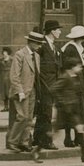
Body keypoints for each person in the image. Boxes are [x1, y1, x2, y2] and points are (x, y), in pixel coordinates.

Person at [53, 57, 84, 163]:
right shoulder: (65, 77)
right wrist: (62, 101)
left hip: (73, 110)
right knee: (55, 133)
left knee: (80, 128)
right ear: (71, 68)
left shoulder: (76, 77)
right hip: (64, 110)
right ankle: (37, 150)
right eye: (78, 66)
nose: (80, 68)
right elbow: (54, 89)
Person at [7, 32, 45, 153]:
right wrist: (19, 91)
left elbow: (36, 75)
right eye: (38, 43)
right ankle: (12, 142)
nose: (39, 46)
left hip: (32, 90)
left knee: (29, 118)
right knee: (22, 117)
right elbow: (14, 76)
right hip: (22, 92)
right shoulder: (20, 55)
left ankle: (24, 142)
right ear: (32, 43)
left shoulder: (36, 56)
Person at [59, 25, 84, 148]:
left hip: (79, 83)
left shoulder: (77, 47)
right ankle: (68, 138)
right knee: (72, 112)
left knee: (79, 111)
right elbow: (68, 67)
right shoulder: (70, 49)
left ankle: (79, 138)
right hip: (73, 83)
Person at [33, 20, 64, 150]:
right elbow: (35, 65)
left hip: (52, 84)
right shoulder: (42, 45)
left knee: (43, 112)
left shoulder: (53, 46)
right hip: (45, 84)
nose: (60, 32)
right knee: (46, 113)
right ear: (52, 31)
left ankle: (37, 138)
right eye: (58, 30)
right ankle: (46, 141)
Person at [0, 47, 12, 112]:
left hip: (9, 76)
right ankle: (5, 106)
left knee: (9, 91)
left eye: (5, 52)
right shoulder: (1, 60)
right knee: (4, 92)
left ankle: (10, 106)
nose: (4, 53)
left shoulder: (12, 59)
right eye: (3, 52)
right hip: (3, 76)